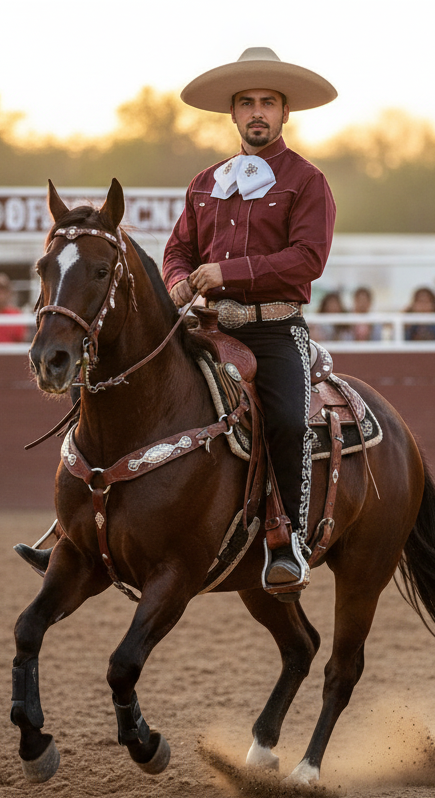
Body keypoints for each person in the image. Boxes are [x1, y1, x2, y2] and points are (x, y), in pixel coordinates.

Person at [163, 46, 337, 594]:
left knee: (287, 421)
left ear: (285, 114)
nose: (257, 112)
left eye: (268, 102)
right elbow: (177, 251)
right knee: (137, 386)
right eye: (246, 103)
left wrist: (227, 272)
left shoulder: (307, 182)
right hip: (208, 328)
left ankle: (290, 542)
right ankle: (84, 529)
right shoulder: (203, 183)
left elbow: (308, 259)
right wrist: (176, 284)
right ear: (232, 115)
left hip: (275, 327)